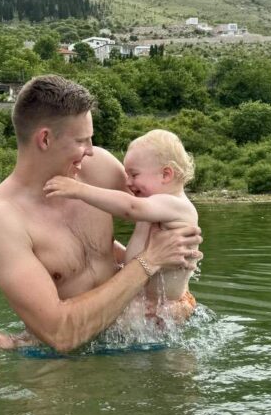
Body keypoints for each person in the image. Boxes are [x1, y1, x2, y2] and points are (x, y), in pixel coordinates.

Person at [0, 74, 202, 353]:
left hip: (133, 340)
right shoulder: (0, 219)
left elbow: (159, 209)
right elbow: (60, 335)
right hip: (68, 370)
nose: (91, 151)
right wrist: (149, 261)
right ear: (45, 139)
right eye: (82, 141)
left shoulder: (99, 168)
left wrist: (181, 281)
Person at [43, 129, 198, 317]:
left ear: (165, 175)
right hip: (148, 299)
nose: (128, 182)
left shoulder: (176, 205)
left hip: (164, 306)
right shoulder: (154, 205)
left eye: (134, 174)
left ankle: (28, 339)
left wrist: (78, 190)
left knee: (90, 321)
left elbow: (130, 207)